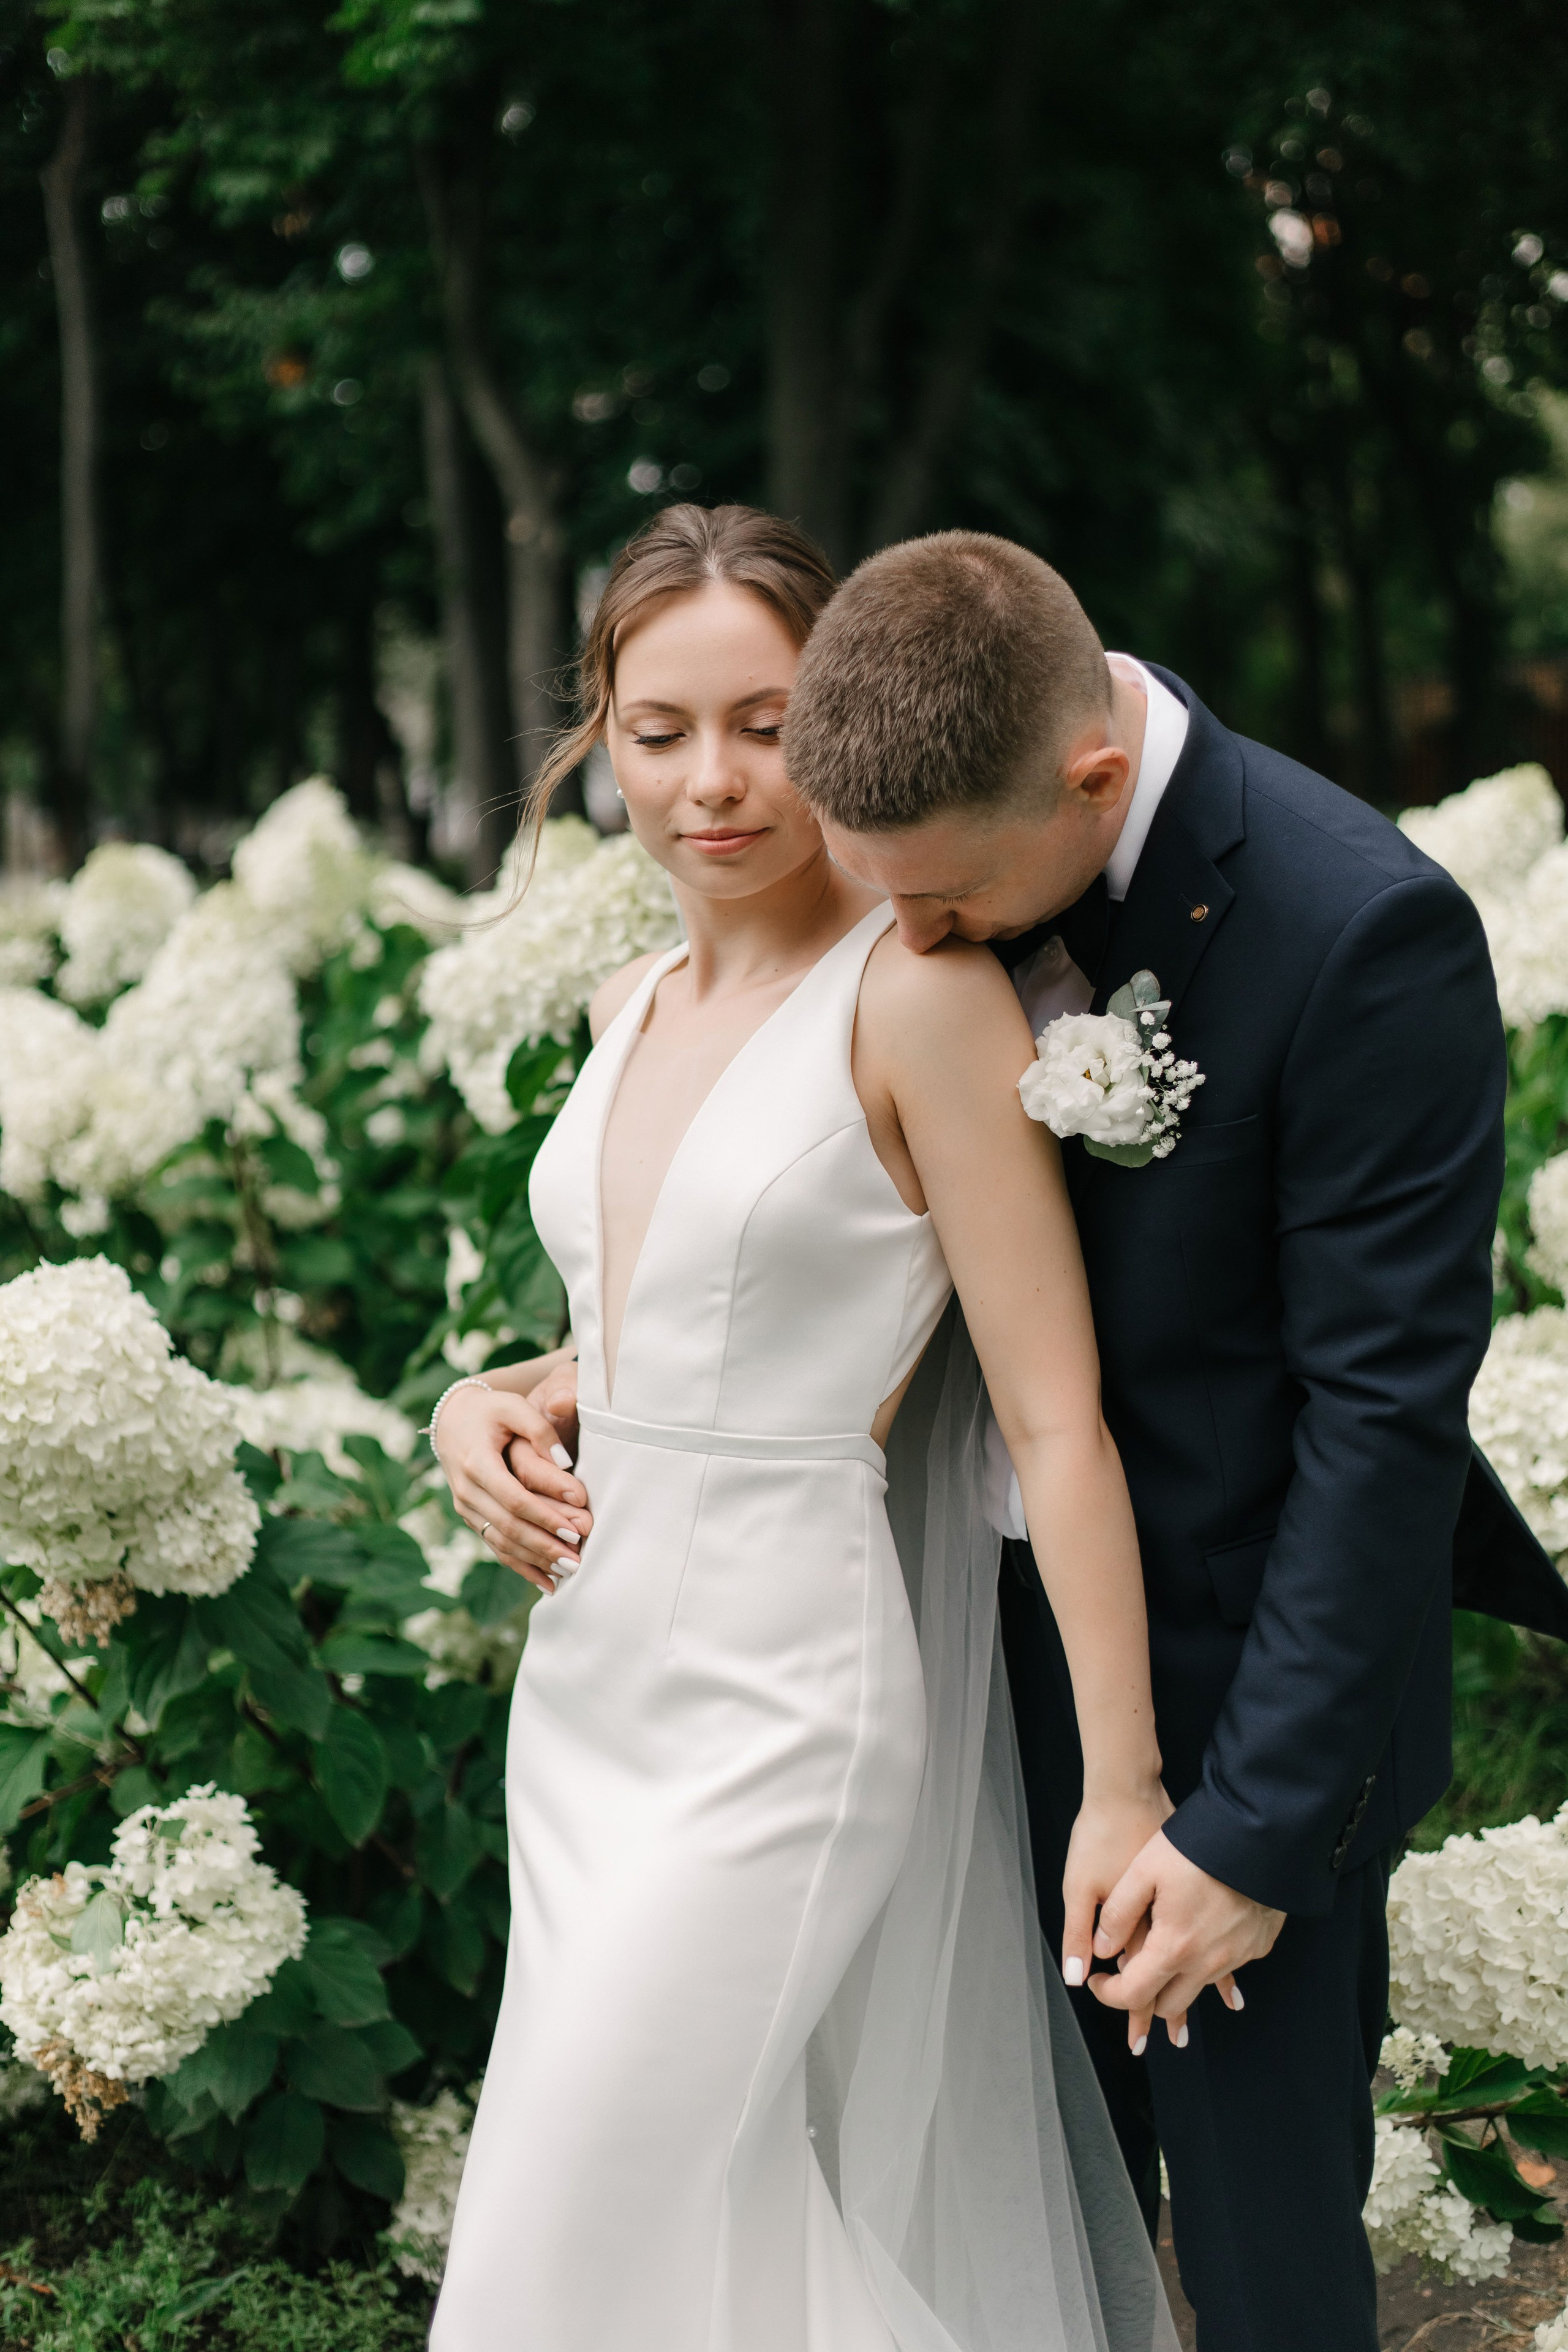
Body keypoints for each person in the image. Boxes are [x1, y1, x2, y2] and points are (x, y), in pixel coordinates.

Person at [426, 505, 1182, 2351]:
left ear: (837, 717)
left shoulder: (919, 1000)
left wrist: (1127, 1784)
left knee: (569, 2225)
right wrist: (481, 1397)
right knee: (700, 2229)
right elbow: (654, 1329)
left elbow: (1055, 1422)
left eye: (765, 724)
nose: (713, 784)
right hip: (588, 1692)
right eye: (659, 730)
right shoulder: (628, 1006)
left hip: (786, 1703)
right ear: (597, 734)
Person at [779, 530, 1508, 2352]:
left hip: (1243, 1699)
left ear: (1093, 781)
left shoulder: (1361, 931)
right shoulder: (929, 854)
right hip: (947, 1672)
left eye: (945, 907)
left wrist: (1249, 1838)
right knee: (998, 2247)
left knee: (1265, 2274)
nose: (913, 946)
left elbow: (1380, 1422)